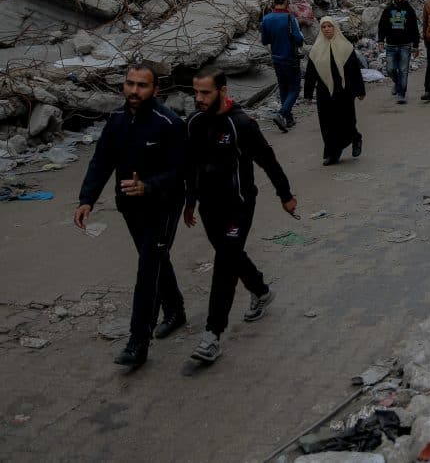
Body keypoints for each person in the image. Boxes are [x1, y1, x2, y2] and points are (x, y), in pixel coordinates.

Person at [74, 63, 187, 367]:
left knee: (147, 270)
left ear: (155, 90)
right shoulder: (117, 121)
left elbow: (181, 173)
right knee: (155, 259)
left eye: (142, 86)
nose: (134, 91)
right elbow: (101, 162)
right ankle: (175, 309)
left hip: (163, 206)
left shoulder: (169, 123)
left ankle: (138, 342)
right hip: (130, 207)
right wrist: (87, 199)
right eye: (130, 84)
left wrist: (148, 186)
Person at [184, 68, 297, 363]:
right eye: (196, 92)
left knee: (224, 262)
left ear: (222, 90)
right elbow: (192, 164)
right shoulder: (195, 123)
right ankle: (260, 290)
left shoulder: (241, 125)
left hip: (239, 204)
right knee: (230, 254)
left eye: (205, 93)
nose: (199, 98)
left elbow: (268, 160)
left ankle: (212, 335)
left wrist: (285, 195)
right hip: (209, 206)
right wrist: (190, 200)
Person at [304, 16, 365, 165]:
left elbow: (354, 71)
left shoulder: (346, 47)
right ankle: (333, 153)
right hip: (324, 91)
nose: (327, 29)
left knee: (347, 120)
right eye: (323, 27)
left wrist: (359, 90)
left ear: (335, 28)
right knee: (327, 123)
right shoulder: (316, 50)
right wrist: (308, 94)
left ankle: (355, 138)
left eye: (329, 26)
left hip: (344, 90)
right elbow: (311, 73)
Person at [260, 0, 303, 132]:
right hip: (290, 58)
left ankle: (288, 119)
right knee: (295, 88)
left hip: (276, 58)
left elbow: (265, 40)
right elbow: (299, 39)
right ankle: (282, 113)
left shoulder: (266, 19)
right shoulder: (289, 18)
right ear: (285, 2)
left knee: (284, 87)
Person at [377, 0, 420, 104]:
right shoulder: (387, 10)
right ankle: (397, 83)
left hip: (405, 45)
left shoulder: (409, 10)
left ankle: (401, 94)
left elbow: (414, 29)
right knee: (390, 69)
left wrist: (416, 45)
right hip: (390, 45)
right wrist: (380, 40)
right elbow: (382, 26)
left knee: (403, 70)